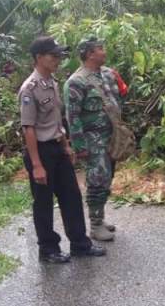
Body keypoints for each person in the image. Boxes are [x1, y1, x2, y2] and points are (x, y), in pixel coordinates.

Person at [19, 36, 106, 263]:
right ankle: (48, 250)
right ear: (39, 58)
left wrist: (66, 145)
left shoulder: (52, 83)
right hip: (40, 151)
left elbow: (57, 120)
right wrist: (37, 165)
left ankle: (80, 244)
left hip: (57, 148)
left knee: (71, 197)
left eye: (59, 55)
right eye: (53, 56)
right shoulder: (30, 89)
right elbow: (28, 128)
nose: (58, 60)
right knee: (44, 202)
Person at [64, 36, 124, 242]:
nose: (104, 51)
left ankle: (101, 217)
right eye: (101, 48)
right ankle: (95, 225)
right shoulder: (76, 81)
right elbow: (72, 117)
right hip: (93, 138)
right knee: (97, 179)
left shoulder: (107, 74)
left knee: (108, 177)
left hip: (111, 136)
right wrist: (79, 146)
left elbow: (117, 98)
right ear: (90, 54)